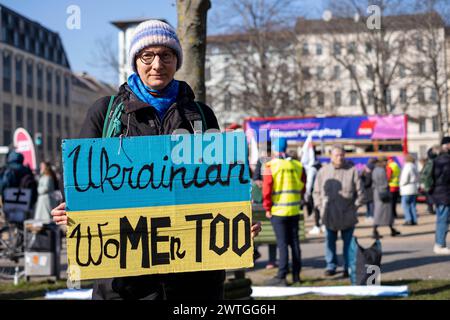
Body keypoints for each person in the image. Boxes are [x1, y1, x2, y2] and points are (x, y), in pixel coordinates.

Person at [51, 20, 261, 300]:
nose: (157, 64)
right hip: (125, 281)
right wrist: (73, 211)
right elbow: (82, 183)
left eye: (166, 55)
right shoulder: (106, 113)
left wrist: (235, 223)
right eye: (147, 55)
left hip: (192, 282)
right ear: (135, 61)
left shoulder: (200, 115)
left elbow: (216, 186)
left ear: (177, 60)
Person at [313, 145, 365, 277]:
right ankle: (331, 266)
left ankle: (348, 267)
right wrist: (320, 206)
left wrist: (355, 207)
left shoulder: (352, 171)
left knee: (348, 244)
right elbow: (316, 192)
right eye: (337, 155)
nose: (340, 157)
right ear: (331, 156)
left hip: (347, 215)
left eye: (342, 155)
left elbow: (361, 193)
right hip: (329, 214)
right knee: (329, 243)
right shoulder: (323, 171)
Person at [262, 137, 306, 286]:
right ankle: (296, 276)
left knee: (282, 244)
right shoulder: (297, 165)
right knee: (294, 243)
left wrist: (267, 208)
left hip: (278, 211)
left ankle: (281, 276)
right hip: (294, 210)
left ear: (274, 149)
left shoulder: (270, 166)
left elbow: (266, 190)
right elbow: (303, 187)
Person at [252, 147, 278, 269]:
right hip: (260, 200)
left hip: (273, 200)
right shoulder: (260, 162)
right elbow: (256, 177)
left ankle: (272, 260)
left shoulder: (276, 163)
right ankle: (254, 254)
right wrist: (258, 181)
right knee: (257, 228)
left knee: (272, 234)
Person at [372, 156, 401, 239]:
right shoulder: (381, 170)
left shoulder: (375, 169)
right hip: (383, 194)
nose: (387, 163)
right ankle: (375, 230)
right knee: (382, 213)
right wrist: (385, 193)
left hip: (377, 193)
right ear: (383, 162)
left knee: (384, 213)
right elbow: (384, 183)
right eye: (386, 161)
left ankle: (391, 229)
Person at [430, 137, 450, 255]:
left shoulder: (437, 159)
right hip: (444, 193)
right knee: (443, 219)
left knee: (441, 219)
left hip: (439, 193)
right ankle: (440, 244)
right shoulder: (445, 160)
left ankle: (439, 243)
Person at [400, 154, 419, 226]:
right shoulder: (414, 166)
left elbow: (404, 178)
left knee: (405, 205)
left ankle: (408, 219)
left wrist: (401, 184)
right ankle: (414, 219)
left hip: (407, 188)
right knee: (412, 205)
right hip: (413, 187)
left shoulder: (407, 166)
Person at [305, 160, 324, 235]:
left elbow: (309, 181)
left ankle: (317, 226)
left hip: (314, 191)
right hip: (322, 191)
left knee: (315, 209)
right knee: (321, 208)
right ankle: (323, 225)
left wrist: (307, 193)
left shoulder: (312, 169)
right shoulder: (321, 167)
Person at [360, 158, 377, 223]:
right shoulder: (371, 172)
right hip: (369, 191)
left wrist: (362, 180)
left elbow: (366, 183)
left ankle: (370, 216)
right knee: (370, 204)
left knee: (370, 205)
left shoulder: (368, 173)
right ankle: (369, 215)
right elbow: (367, 182)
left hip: (368, 191)